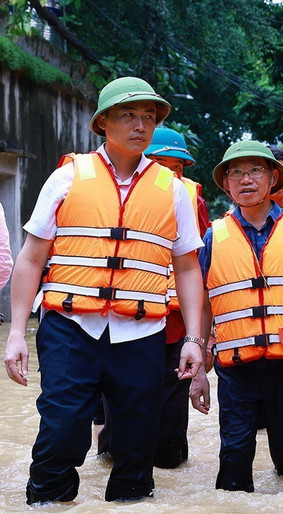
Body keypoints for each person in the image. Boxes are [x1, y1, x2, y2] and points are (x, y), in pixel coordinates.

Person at [3, 76, 206, 504]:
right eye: (128, 115)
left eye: (148, 117)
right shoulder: (67, 178)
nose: (140, 125)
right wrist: (17, 333)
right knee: (60, 428)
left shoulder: (173, 191)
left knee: (136, 443)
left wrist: (193, 338)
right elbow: (31, 258)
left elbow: (187, 268)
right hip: (70, 326)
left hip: (141, 332)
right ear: (103, 123)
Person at [189, 141, 283, 492]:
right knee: (234, 457)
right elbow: (204, 303)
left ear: (273, 178)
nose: (245, 179)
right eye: (236, 172)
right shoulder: (214, 236)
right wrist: (197, 370)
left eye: (255, 170)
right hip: (237, 368)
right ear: (226, 183)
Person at [95, 126, 211, 467]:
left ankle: (168, 462)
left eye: (178, 166)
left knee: (171, 402)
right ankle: (112, 455)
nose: (171, 172)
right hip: (129, 315)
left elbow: (200, 266)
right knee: (122, 395)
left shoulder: (190, 199)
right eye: (163, 163)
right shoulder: (117, 194)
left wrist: (204, 335)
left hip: (174, 321)